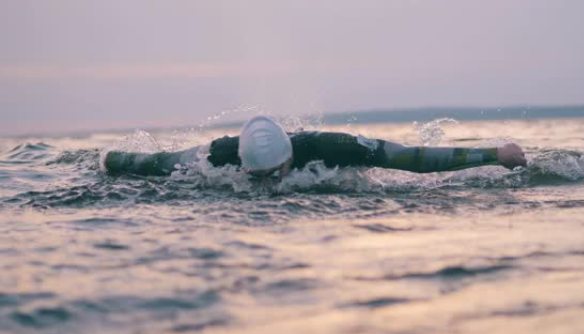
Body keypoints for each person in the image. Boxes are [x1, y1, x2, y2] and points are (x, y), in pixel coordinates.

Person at [104, 116, 526, 178]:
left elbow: (409, 159)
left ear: (290, 158)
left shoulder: (333, 148)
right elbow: (158, 162)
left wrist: (493, 154)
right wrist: (108, 162)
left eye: (278, 174)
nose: (271, 185)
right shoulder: (221, 154)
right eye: (261, 178)